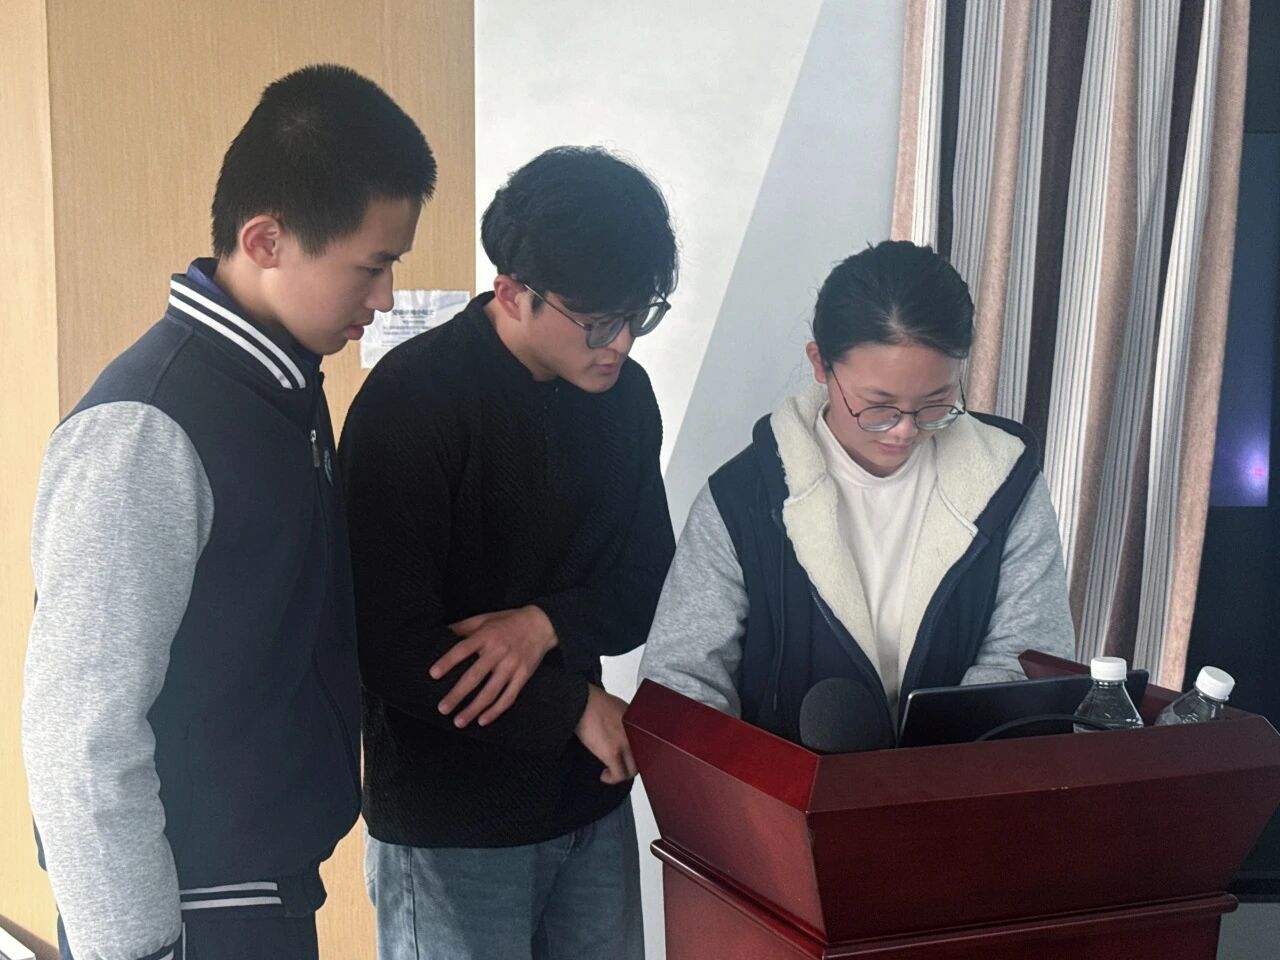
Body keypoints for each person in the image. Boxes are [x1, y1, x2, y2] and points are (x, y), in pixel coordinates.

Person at [22, 64, 436, 960]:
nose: (383, 299)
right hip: (189, 915)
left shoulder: (281, 387)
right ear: (266, 239)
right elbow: (78, 738)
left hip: (258, 894)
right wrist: (139, 950)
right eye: (371, 267)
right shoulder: (147, 428)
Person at [340, 146, 677, 960]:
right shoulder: (412, 402)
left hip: (587, 799)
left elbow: (645, 585)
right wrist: (571, 705)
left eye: (640, 314)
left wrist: (541, 624)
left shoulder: (625, 400)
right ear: (513, 292)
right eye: (598, 321)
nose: (622, 343)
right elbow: (386, 646)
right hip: (450, 822)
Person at [640, 240, 1075, 749]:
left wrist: (927, 773)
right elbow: (681, 684)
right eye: (879, 406)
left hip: (958, 784)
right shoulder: (741, 501)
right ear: (820, 364)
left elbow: (1029, 659)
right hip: (781, 793)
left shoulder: (1007, 483)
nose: (905, 431)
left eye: (936, 402)